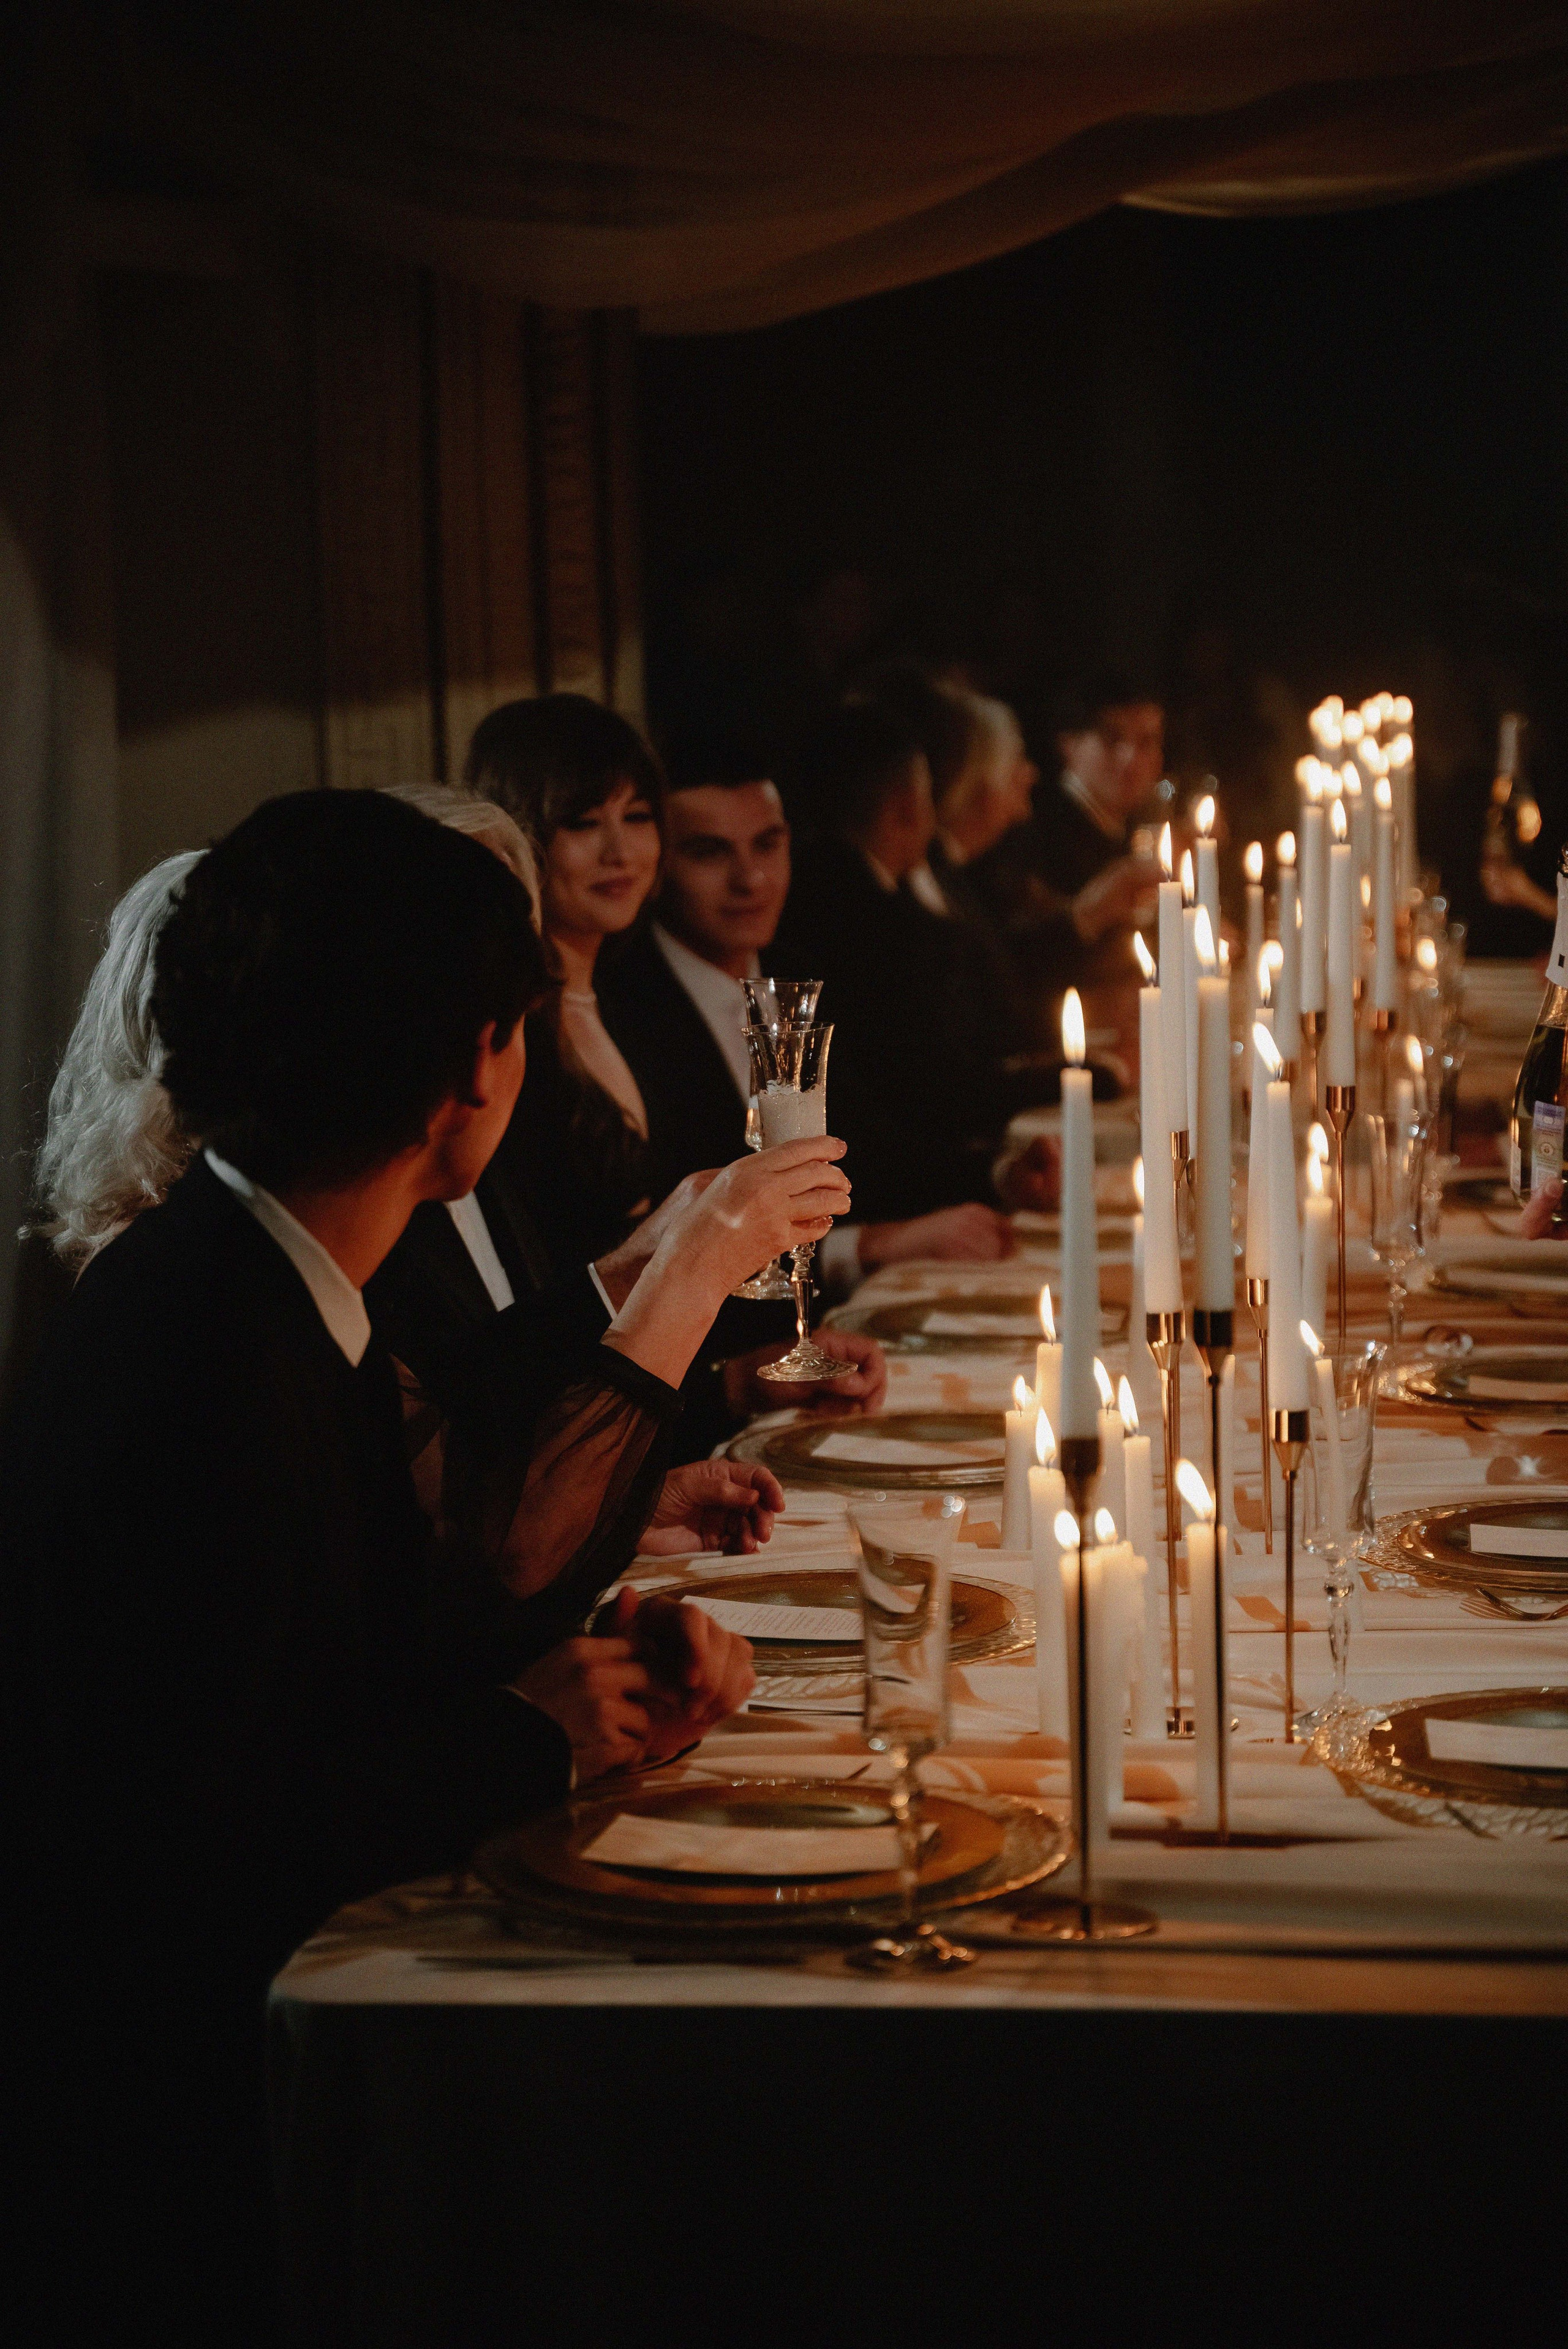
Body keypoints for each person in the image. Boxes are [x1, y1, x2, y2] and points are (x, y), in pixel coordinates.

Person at [4, 791, 848, 2328]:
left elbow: (385, 1599)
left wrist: (556, 1673)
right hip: (197, 2161)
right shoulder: (202, 1344)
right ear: (475, 1061)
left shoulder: (259, 1269)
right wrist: (529, 1722)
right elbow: (213, 1829)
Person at [466, 699, 887, 1433]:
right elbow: (542, 1302)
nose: (619, 853)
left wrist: (736, 1382)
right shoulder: (510, 1040)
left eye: (635, 818)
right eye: (582, 823)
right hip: (556, 1426)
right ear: (522, 836)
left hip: (662, 1409)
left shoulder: (618, 1002)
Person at [600, 728, 1021, 1275]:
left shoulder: (799, 973)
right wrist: (867, 1244)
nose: (750, 879)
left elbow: (869, 1146)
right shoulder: (622, 1012)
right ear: (656, 865)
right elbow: (669, 1246)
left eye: (768, 845)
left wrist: (1000, 1173)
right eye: (709, 853)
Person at [772, 703, 1062, 1224]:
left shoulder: (851, 898)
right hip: (871, 1210)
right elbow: (927, 1093)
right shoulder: (866, 920)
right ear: (908, 806)